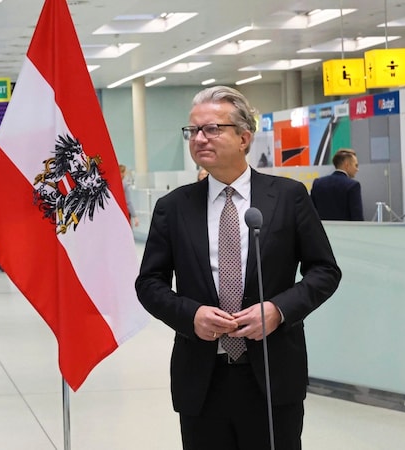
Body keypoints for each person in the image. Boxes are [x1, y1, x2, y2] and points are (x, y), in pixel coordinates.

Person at [136, 86, 341, 450]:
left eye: (212, 129)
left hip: (273, 372)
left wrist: (279, 310)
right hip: (202, 375)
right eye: (193, 130)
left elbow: (324, 271)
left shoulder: (289, 197)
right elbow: (149, 283)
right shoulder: (174, 207)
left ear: (244, 137)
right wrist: (191, 315)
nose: (199, 138)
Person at [310, 149, 364, 221]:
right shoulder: (353, 186)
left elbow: (311, 212)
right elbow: (357, 218)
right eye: (356, 165)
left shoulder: (318, 183)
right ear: (346, 165)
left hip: (322, 230)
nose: (357, 169)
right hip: (346, 230)